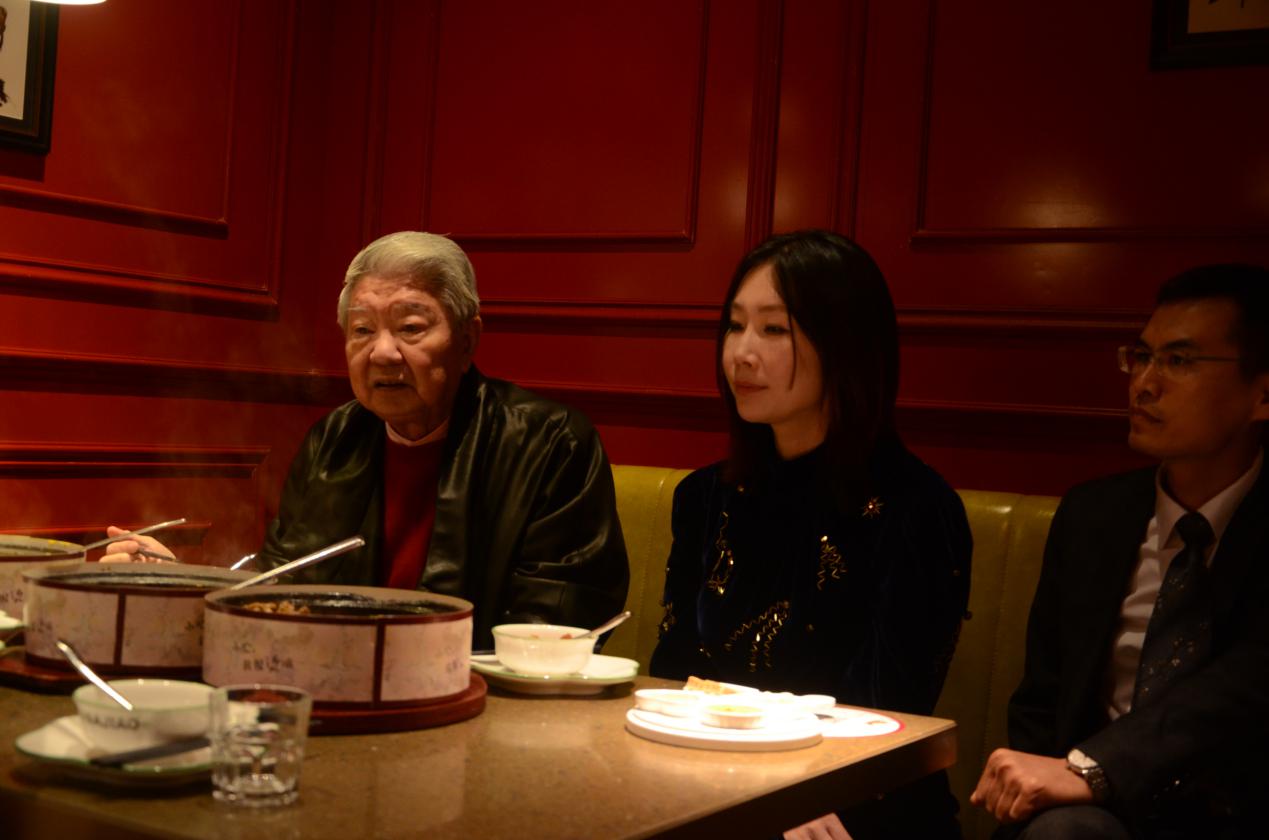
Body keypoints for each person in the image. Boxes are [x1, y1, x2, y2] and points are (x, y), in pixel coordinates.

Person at [105, 231, 630, 648]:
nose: (382, 352)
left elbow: (556, 627)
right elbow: (285, 587)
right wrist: (184, 584)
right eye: (361, 330)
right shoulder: (334, 440)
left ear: (467, 339)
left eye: (411, 328)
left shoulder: (549, 444)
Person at [649, 229, 972, 840]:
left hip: (856, 805)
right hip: (708, 787)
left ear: (845, 346)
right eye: (735, 325)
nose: (741, 353)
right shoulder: (705, 497)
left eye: (774, 329)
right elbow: (673, 676)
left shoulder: (916, 510)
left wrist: (790, 799)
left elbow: (887, 714)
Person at [970, 264, 1269, 839]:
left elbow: (1247, 687)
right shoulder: (1094, 515)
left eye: (1179, 361)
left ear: (1263, 394)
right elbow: (1042, 699)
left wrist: (1095, 769)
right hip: (1087, 818)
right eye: (1142, 356)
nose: (1144, 384)